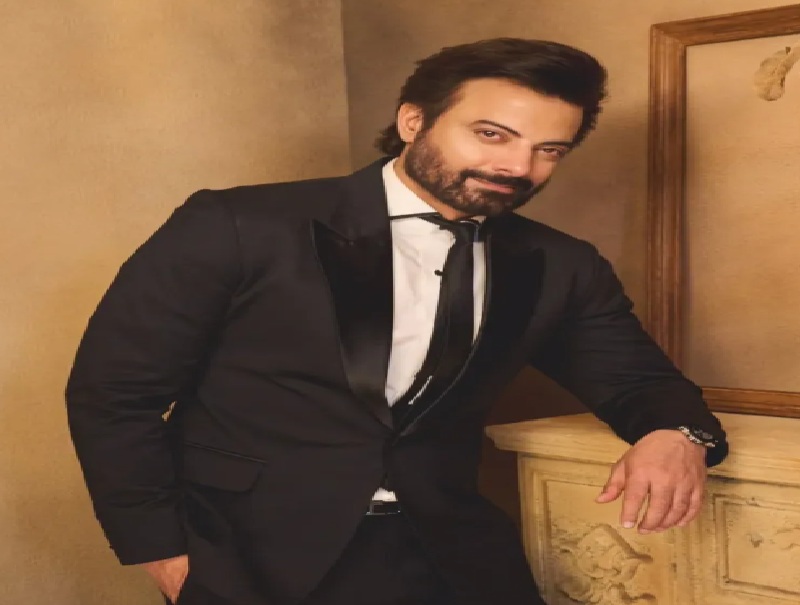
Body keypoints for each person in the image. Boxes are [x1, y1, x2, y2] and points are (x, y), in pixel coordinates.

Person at [66, 38, 728, 605]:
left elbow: (639, 380)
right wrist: (162, 552)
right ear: (413, 120)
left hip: (451, 555)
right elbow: (114, 395)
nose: (518, 167)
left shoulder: (561, 264)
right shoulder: (238, 224)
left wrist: (675, 433)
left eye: (549, 149)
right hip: (249, 555)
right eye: (491, 134)